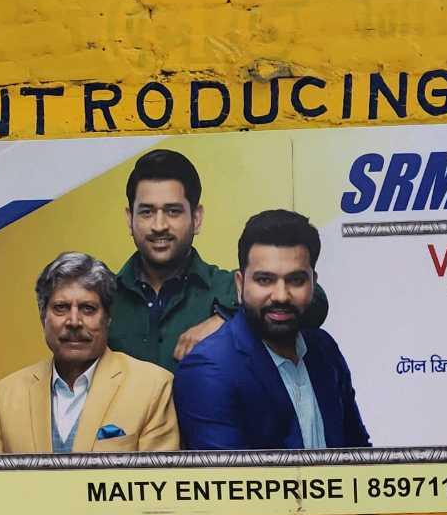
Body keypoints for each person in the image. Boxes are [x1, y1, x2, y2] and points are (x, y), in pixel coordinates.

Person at [107, 145, 327, 369]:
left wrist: (228, 320)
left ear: (197, 218)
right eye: (147, 212)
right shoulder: (103, 298)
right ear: (129, 219)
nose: (159, 225)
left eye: (173, 211)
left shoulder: (229, 287)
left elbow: (315, 299)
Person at [173, 210, 369, 452]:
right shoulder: (209, 370)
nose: (281, 296)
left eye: (296, 280)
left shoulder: (323, 348)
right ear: (239, 284)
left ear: (313, 283)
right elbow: (227, 476)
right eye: (265, 280)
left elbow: (360, 453)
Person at [0, 251, 178, 455]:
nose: (74, 322)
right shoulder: (6, 394)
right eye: (61, 308)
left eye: (88, 308)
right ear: (43, 317)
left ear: (108, 318)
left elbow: (155, 476)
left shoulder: (152, 387)